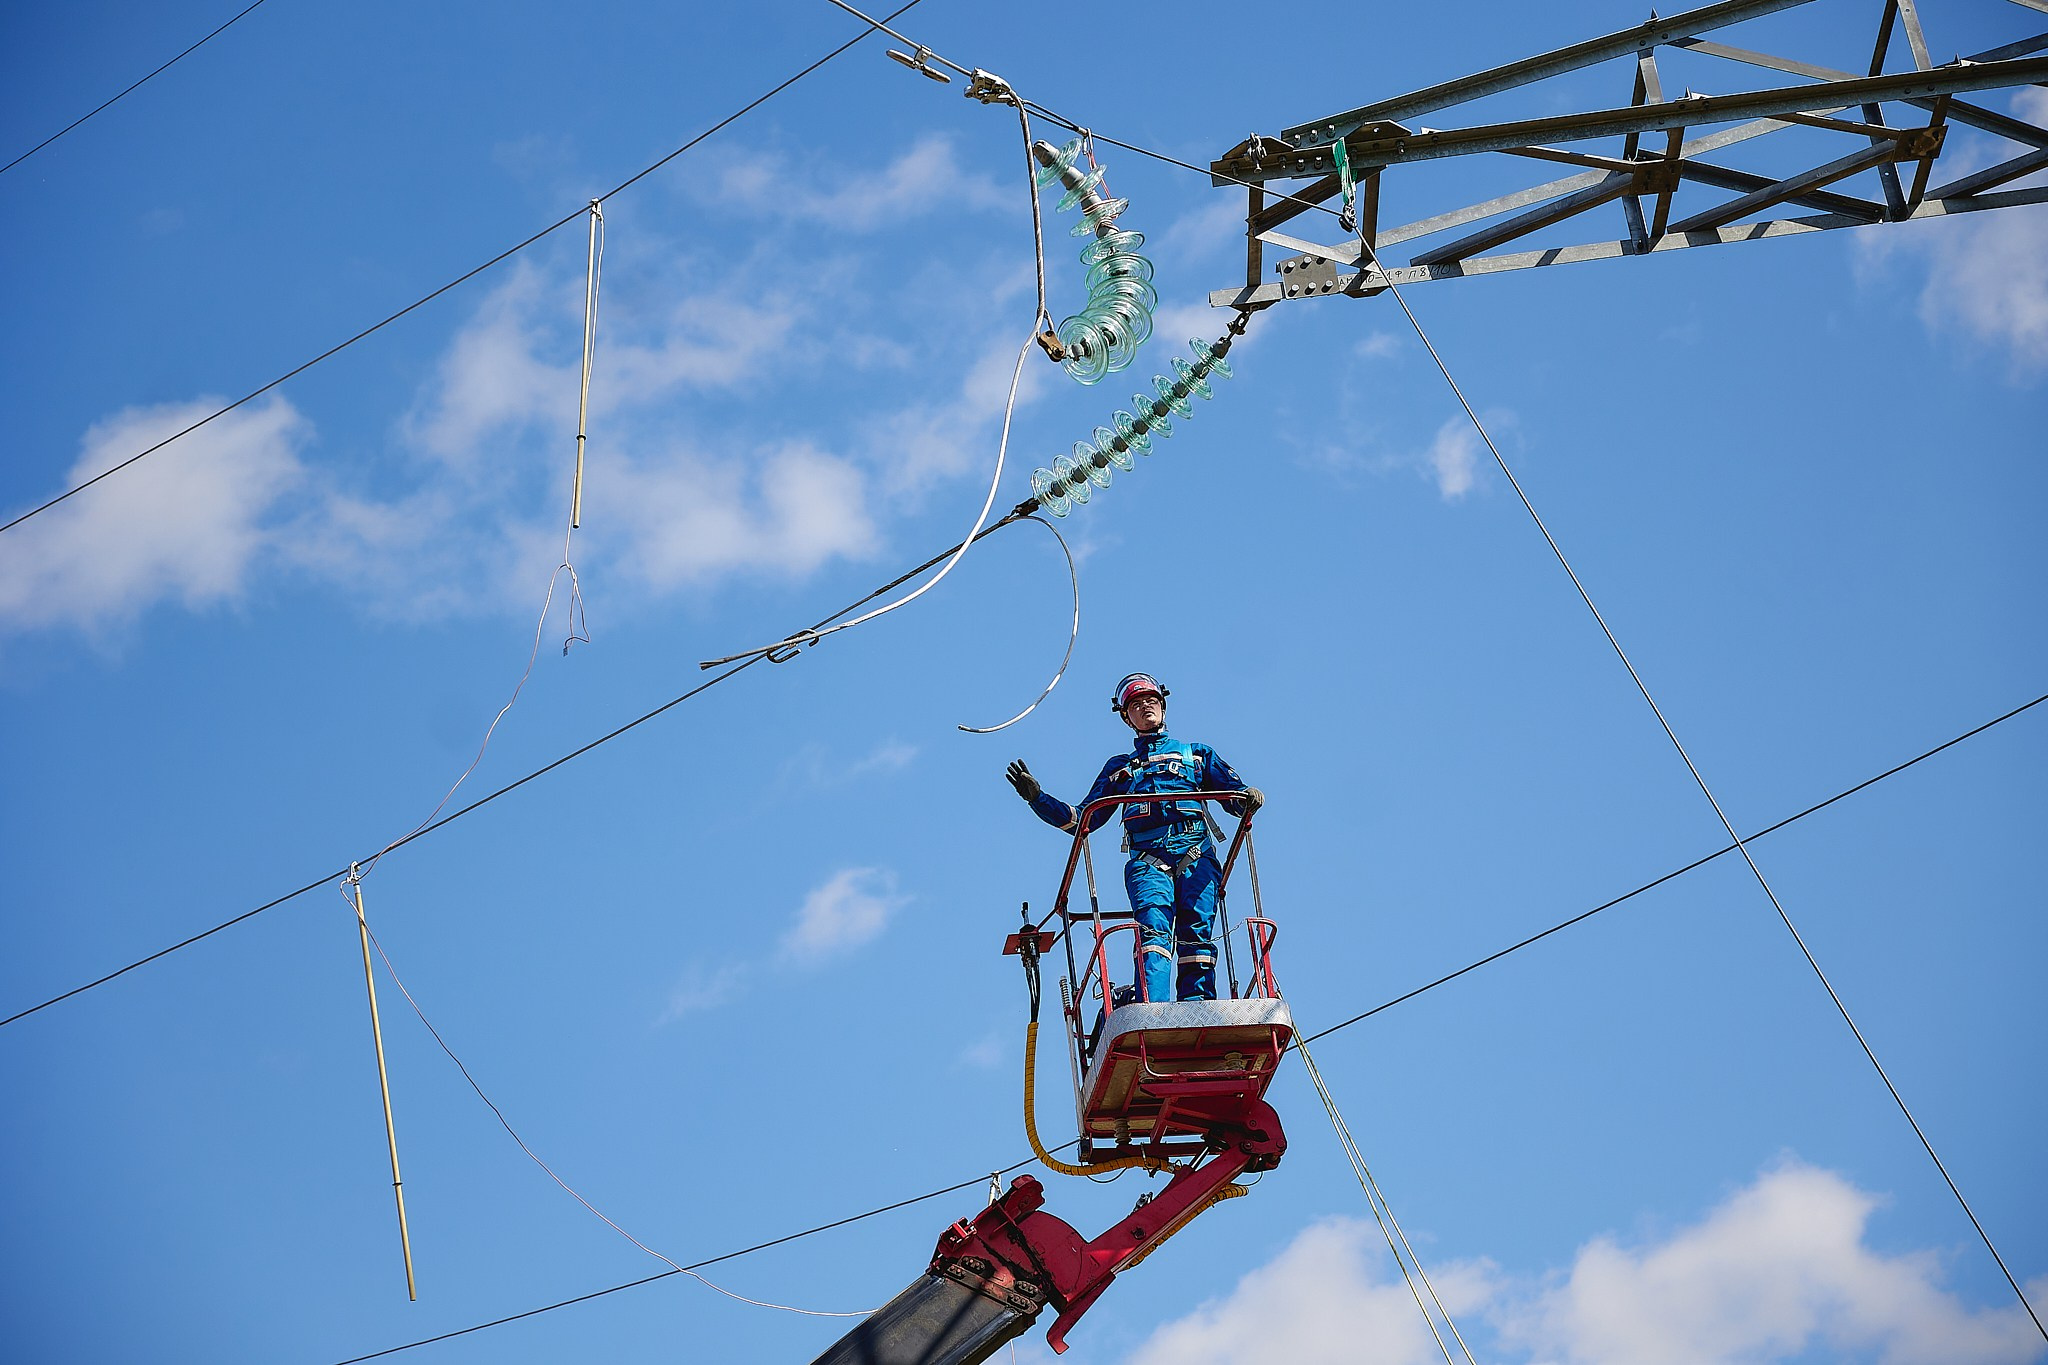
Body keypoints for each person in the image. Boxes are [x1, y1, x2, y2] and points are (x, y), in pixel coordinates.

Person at [1006, 673, 1262, 1004]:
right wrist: (1038, 798)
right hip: (1148, 862)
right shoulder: (1121, 768)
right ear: (1127, 718)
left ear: (1163, 706)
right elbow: (1082, 820)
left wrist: (1247, 798)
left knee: (1196, 933)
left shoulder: (1196, 756)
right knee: (1153, 932)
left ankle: (1197, 1007)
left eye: (1151, 701)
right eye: (1136, 705)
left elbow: (1233, 798)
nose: (1145, 707)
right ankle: (1152, 1009)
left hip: (1196, 854)